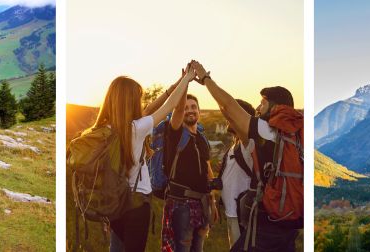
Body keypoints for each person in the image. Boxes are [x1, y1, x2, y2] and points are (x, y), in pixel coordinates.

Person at [191, 61, 302, 252]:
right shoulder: (297, 135)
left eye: (263, 103)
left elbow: (228, 107)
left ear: (274, 106)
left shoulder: (266, 130)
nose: (258, 108)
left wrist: (206, 78)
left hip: (268, 220)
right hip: (290, 221)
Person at [99, 62, 196, 252]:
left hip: (114, 203)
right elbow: (169, 107)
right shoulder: (135, 129)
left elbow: (151, 108)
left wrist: (177, 83)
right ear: (130, 101)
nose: (141, 102)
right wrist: (187, 79)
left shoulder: (104, 129)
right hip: (136, 204)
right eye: (138, 98)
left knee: (116, 248)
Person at [160, 91, 219, 252]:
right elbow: (177, 112)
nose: (190, 110)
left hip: (202, 204)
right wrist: (185, 83)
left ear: (199, 111)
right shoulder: (175, 133)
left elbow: (208, 170)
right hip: (181, 204)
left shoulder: (201, 137)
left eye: (193, 107)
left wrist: (212, 203)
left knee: (198, 249)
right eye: (185, 108)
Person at [218, 99, 257, 247]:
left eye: (233, 114)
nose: (228, 117)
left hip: (241, 215)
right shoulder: (235, 145)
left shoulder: (248, 145)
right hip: (232, 211)